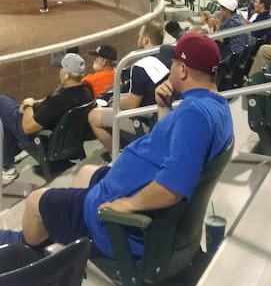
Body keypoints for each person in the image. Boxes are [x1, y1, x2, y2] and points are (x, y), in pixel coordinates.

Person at [3, 34, 234, 259]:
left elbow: (172, 187)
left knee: (35, 202)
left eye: (173, 63)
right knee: (85, 173)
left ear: (182, 70)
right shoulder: (216, 106)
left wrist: (127, 204)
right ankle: (61, 226)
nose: (170, 68)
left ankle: (22, 249)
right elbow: (169, 150)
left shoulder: (194, 115)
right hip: (129, 188)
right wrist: (164, 108)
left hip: (120, 222)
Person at [0, 54, 93, 184]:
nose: (59, 72)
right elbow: (51, 102)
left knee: (3, 102)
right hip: (67, 140)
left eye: (61, 69)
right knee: (8, 106)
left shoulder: (59, 101)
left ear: (66, 74)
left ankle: (8, 166)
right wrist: (35, 103)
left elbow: (28, 128)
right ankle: (7, 163)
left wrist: (28, 104)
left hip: (43, 139)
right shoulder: (86, 93)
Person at [88, 23, 171, 153]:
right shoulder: (170, 58)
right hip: (166, 116)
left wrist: (114, 102)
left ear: (145, 40)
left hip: (146, 122)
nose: (138, 40)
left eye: (139, 36)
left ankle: (118, 159)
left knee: (93, 116)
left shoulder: (140, 66)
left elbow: (132, 104)